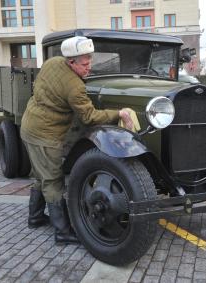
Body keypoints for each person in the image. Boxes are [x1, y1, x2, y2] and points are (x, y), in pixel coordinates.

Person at [21, 36, 133, 245]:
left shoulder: (52, 62)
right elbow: (89, 117)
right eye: (84, 64)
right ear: (71, 61)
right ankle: (63, 232)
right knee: (53, 181)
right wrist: (119, 113)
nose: (89, 67)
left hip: (30, 125)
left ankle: (35, 218)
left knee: (40, 176)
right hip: (45, 134)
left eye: (90, 61)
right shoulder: (75, 87)